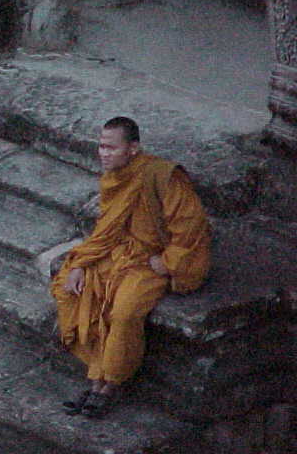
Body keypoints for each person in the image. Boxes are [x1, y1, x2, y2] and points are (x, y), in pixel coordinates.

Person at [51, 116, 211, 418]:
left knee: (123, 312)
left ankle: (111, 384)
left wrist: (167, 262)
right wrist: (81, 264)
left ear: (133, 148)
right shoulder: (115, 176)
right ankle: (96, 377)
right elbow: (106, 229)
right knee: (73, 290)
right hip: (118, 252)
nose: (104, 153)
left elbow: (192, 225)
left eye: (112, 148)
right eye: (101, 146)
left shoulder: (162, 176)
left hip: (148, 261)